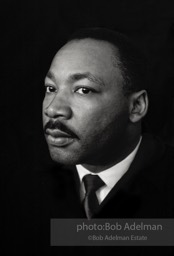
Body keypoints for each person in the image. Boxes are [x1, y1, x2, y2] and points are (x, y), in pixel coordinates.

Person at [3, 28, 174, 255]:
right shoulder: (18, 186)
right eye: (50, 88)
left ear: (136, 106)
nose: (53, 108)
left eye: (83, 90)